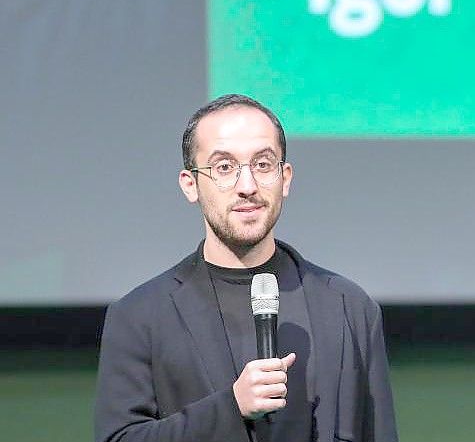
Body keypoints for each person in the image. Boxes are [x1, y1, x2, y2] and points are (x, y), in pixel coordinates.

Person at [95, 94, 398, 442]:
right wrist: (231, 407)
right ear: (190, 184)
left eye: (263, 164)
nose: (247, 186)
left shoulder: (349, 307)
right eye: (224, 167)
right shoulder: (140, 316)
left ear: (285, 178)